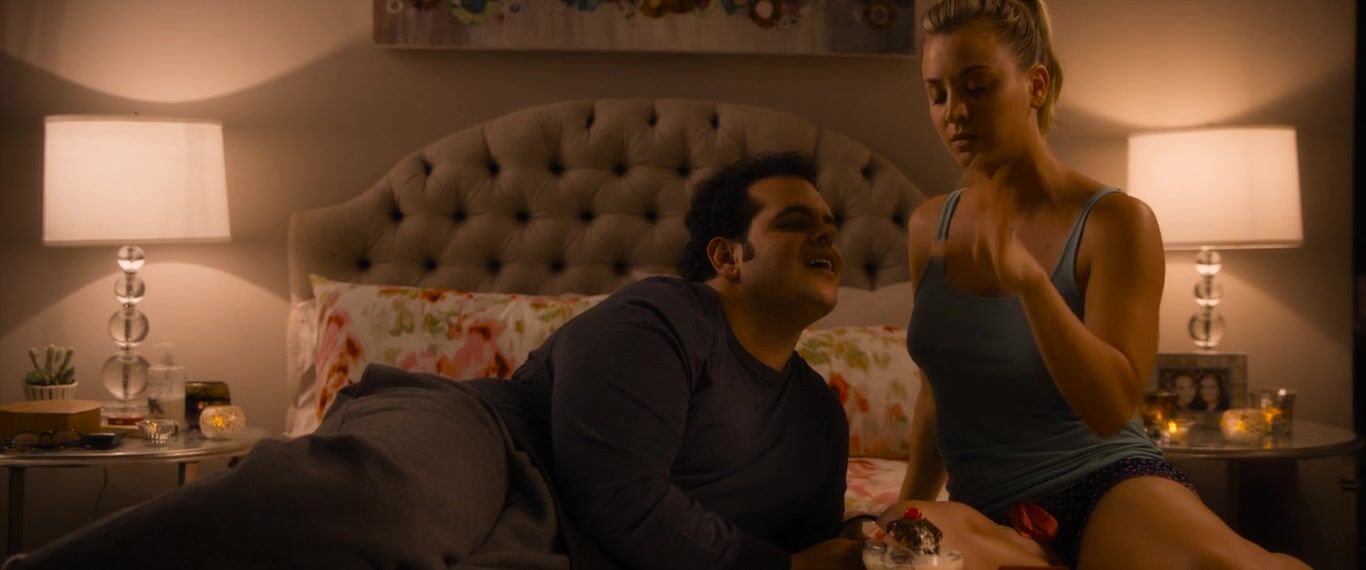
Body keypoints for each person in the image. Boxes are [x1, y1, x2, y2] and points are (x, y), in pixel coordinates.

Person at [7, 153, 864, 570]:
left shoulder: (819, 420)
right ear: (727, 256)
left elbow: (823, 551)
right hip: (484, 442)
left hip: (562, 548)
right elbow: (623, 500)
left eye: (832, 226)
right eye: (798, 224)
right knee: (380, 504)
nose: (827, 236)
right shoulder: (663, 316)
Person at [882, 1, 1310, 568]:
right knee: (894, 545)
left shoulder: (1116, 222)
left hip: (1105, 485)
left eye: (977, 87)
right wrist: (907, 506)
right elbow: (936, 395)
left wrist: (1032, 285)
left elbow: (1111, 409)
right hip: (987, 509)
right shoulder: (928, 226)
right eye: (937, 95)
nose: (954, 112)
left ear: (1036, 86)